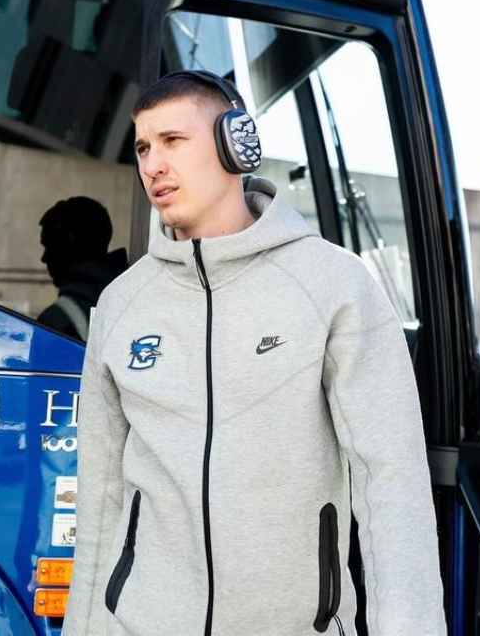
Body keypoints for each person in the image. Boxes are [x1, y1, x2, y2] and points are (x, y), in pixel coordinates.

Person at [62, 71, 447, 635]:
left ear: (235, 143)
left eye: (173, 141)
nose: (153, 164)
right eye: (144, 147)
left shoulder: (332, 283)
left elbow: (390, 480)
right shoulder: (123, 304)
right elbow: (101, 499)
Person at [37, 196, 127, 340]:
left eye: (49, 246)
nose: (44, 258)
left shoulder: (56, 321)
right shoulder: (135, 298)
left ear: (68, 244)